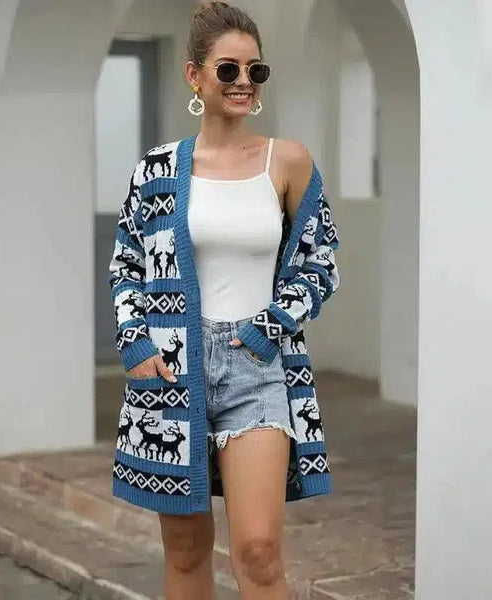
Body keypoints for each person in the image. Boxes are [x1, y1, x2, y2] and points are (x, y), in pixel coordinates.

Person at [108, 2, 340, 599]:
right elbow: (127, 264)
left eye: (255, 70)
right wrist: (136, 344)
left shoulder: (288, 162)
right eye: (228, 69)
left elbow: (320, 262)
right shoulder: (156, 170)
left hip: (256, 367)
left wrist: (272, 324)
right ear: (195, 76)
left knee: (258, 552)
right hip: (171, 370)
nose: (243, 82)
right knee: (186, 552)